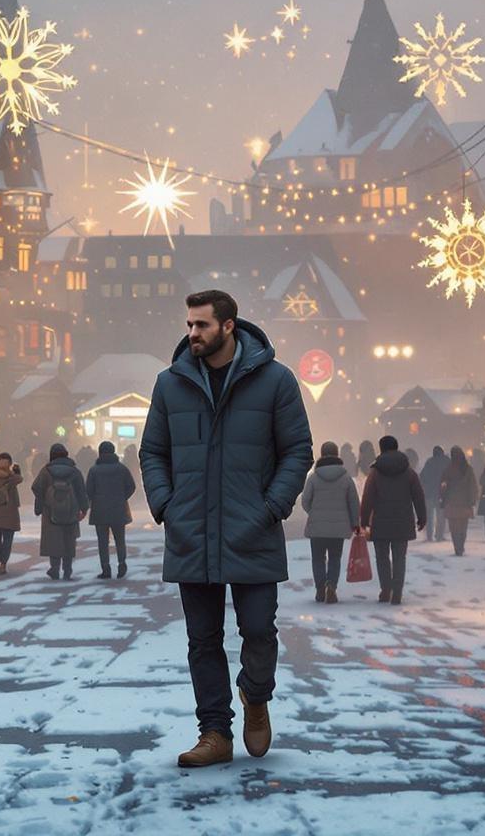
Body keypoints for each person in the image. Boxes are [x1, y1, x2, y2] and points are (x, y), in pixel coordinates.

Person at [141, 290, 309, 768]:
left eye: (202, 325)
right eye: (189, 325)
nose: (192, 333)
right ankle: (214, 733)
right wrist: (166, 505)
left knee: (258, 631)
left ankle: (255, 696)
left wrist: (272, 506)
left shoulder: (276, 381)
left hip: (252, 528)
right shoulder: (170, 384)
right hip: (191, 531)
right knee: (203, 641)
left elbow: (298, 449)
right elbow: (153, 451)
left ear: (229, 326)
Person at [360, 435, 426, 604]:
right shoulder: (409, 471)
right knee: (399, 558)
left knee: (382, 557)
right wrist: (422, 516)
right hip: (403, 521)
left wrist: (364, 520)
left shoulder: (375, 472)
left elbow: (368, 497)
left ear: (381, 448)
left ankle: (385, 589)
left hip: (380, 521)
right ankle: (397, 591)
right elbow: (418, 495)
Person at [299, 441, 358, 603]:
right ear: (337, 454)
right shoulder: (346, 478)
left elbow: (305, 500)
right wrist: (355, 523)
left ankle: (319, 589)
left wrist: (314, 513)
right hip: (338, 528)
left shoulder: (313, 477)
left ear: (322, 454)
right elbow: (353, 502)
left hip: (317, 527)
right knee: (334, 558)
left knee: (318, 559)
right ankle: (331, 586)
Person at [32, 443, 88, 580]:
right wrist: (84, 508)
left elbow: (37, 488)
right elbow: (82, 491)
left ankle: (54, 568)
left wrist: (39, 507)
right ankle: (67, 569)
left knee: (54, 540)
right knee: (69, 540)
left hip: (50, 511)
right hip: (71, 511)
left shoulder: (46, 471)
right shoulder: (74, 472)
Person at [87, 442, 135, 580]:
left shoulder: (94, 470)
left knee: (102, 542)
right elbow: (131, 486)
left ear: (100, 452)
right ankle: (122, 564)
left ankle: (106, 569)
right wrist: (122, 497)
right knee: (120, 540)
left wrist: (95, 500)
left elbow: (88, 490)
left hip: (99, 511)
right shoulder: (122, 469)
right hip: (119, 509)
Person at [440, 447, 478, 556]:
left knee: (453, 527)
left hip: (451, 502)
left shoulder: (448, 469)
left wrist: (442, 498)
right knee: (463, 526)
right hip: (465, 502)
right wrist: (472, 500)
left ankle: (457, 546)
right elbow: (473, 486)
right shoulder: (468, 469)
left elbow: (443, 486)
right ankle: (461, 545)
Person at [419, 446, 449, 542]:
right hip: (442, 493)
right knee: (441, 516)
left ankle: (429, 536)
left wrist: (424, 487)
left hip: (429, 493)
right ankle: (439, 535)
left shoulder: (429, 462)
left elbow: (422, 476)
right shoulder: (447, 461)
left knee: (429, 516)